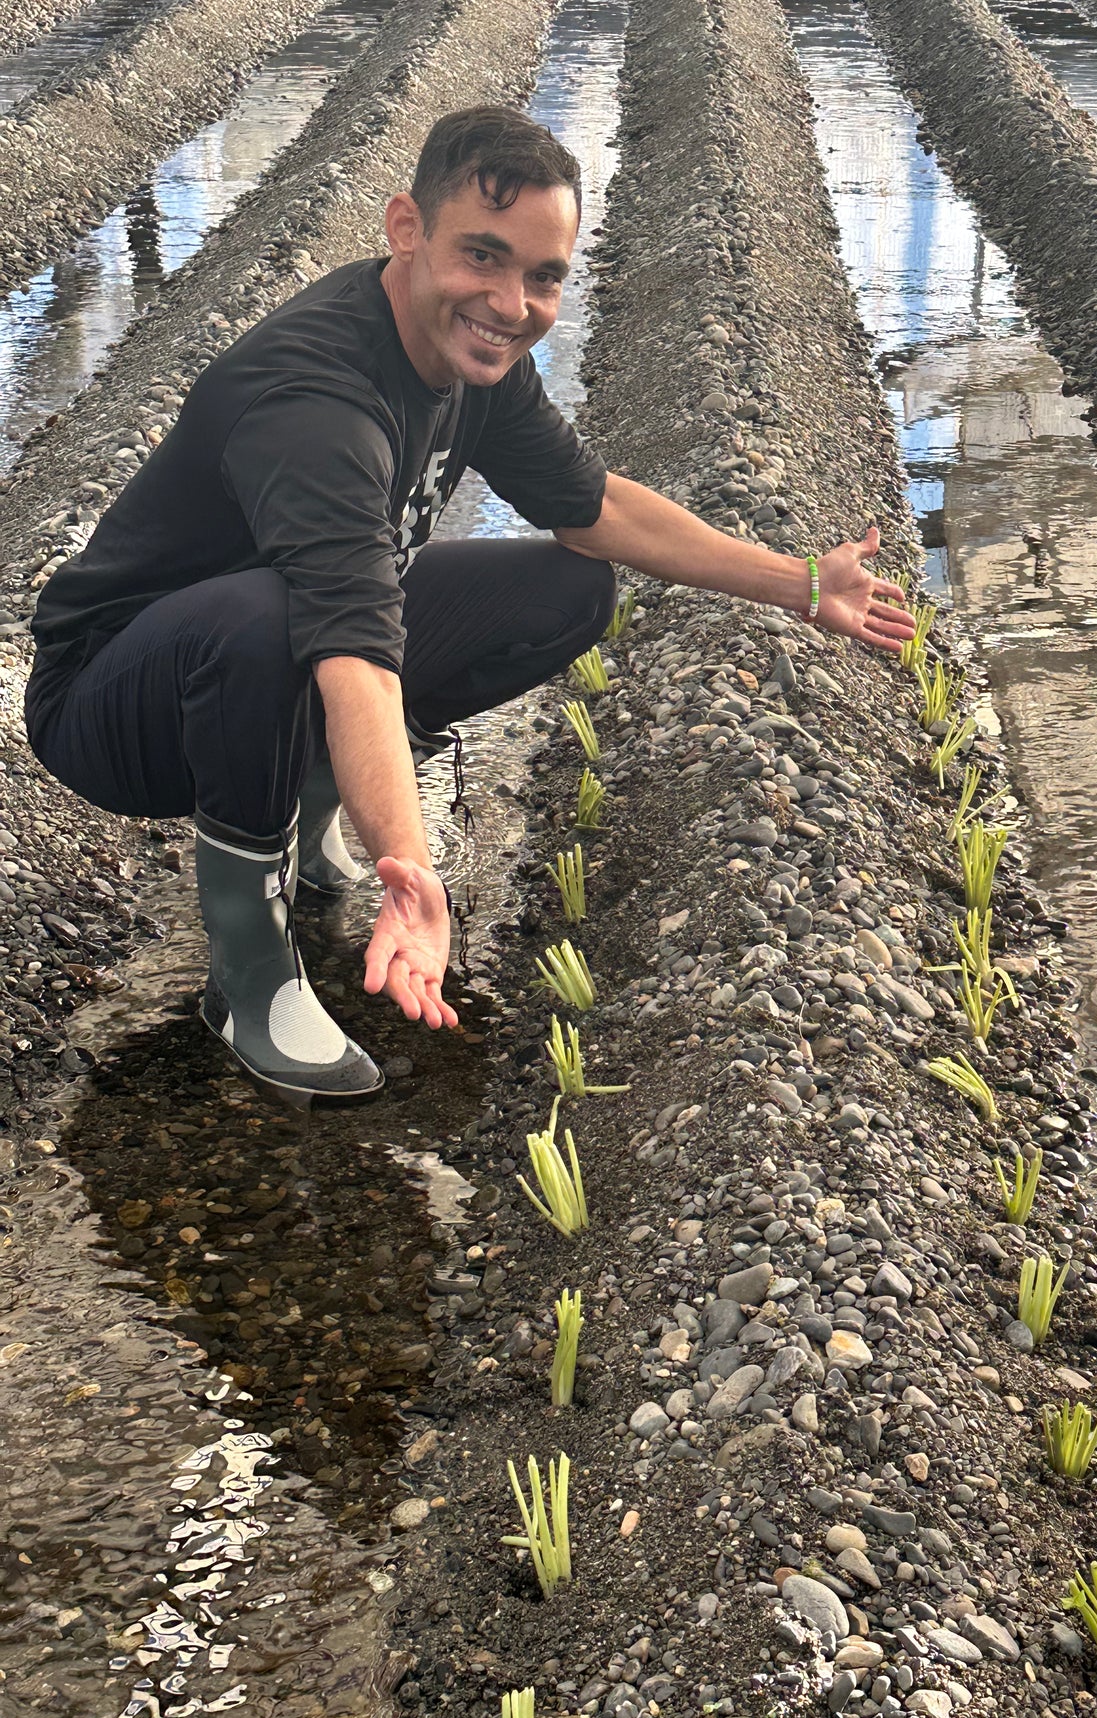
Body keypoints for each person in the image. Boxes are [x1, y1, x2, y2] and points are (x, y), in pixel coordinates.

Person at [24, 105, 913, 1100]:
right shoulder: (317, 404)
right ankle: (250, 972)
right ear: (406, 228)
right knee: (273, 621)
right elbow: (351, 647)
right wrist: (408, 863)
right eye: (481, 258)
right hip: (112, 703)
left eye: (543, 276)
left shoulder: (472, 361)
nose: (510, 301)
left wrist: (795, 583)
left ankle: (310, 808)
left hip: (276, 649)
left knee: (568, 586)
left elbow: (596, 507)